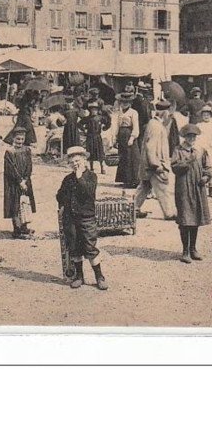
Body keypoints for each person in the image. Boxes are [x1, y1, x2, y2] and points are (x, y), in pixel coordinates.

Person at [56, 146, 107, 290]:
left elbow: (88, 192)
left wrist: (79, 177)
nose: (75, 164)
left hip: (86, 218)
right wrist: (63, 205)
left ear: (84, 160)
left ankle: (99, 276)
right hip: (70, 218)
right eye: (72, 162)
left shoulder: (91, 176)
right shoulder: (67, 179)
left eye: (78, 161)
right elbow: (59, 195)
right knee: (74, 247)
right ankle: (79, 276)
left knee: (90, 247)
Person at [171, 124, 212, 264]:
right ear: (184, 137)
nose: (192, 138)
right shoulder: (178, 150)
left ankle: (193, 249)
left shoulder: (201, 151)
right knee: (185, 219)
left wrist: (206, 177)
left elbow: (208, 167)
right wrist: (188, 161)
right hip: (183, 188)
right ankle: (185, 251)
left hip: (198, 188)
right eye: (189, 136)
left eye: (194, 136)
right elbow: (174, 167)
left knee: (195, 218)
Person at [134, 100, 177, 219]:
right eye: (168, 112)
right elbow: (150, 146)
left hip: (148, 164)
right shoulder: (156, 126)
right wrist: (156, 164)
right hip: (154, 164)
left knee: (144, 186)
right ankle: (169, 213)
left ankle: (134, 209)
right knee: (163, 187)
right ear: (164, 113)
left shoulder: (154, 124)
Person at [3, 127, 36, 238]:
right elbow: (11, 168)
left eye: (22, 139)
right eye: (18, 139)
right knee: (15, 204)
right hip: (13, 182)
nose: (20, 142)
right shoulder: (9, 152)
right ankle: (17, 229)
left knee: (25, 203)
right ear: (13, 138)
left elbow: (29, 166)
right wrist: (19, 181)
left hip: (25, 181)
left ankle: (24, 227)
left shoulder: (27, 150)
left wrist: (25, 179)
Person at [114, 92, 141, 188]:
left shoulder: (133, 112)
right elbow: (117, 125)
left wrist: (132, 138)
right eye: (122, 102)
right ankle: (124, 180)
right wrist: (116, 137)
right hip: (121, 135)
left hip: (129, 135)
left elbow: (136, 127)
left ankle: (133, 181)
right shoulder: (120, 112)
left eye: (127, 102)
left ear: (130, 103)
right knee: (123, 158)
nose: (124, 104)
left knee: (131, 158)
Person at [195, 104, 212, 192]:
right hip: (201, 147)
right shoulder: (199, 125)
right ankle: (202, 185)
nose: (206, 116)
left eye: (207, 115)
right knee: (201, 166)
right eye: (204, 115)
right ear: (201, 116)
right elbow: (196, 137)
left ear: (210, 115)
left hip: (211, 148)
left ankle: (211, 186)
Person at [81, 100, 110, 174]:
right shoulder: (87, 118)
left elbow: (108, 121)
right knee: (90, 152)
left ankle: (102, 167)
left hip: (97, 137)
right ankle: (91, 168)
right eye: (92, 110)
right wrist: (84, 130)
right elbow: (79, 124)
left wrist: (105, 128)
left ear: (98, 110)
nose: (94, 111)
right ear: (90, 110)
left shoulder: (100, 118)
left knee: (100, 152)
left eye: (95, 110)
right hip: (90, 137)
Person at [132, 82, 152, 149]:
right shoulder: (143, 101)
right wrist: (147, 121)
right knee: (141, 139)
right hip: (142, 123)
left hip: (135, 122)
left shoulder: (133, 99)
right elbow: (145, 113)